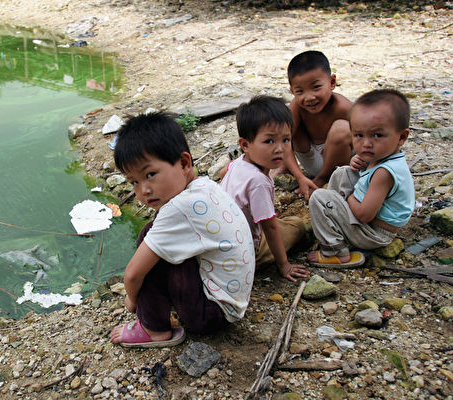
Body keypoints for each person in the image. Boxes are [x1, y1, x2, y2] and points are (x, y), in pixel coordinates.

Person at [109, 112, 255, 348]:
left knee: (151, 237)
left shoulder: (178, 208)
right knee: (157, 235)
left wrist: (131, 300)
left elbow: (133, 274)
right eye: (134, 182)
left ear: (185, 163)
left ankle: (153, 328)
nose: (144, 190)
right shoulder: (204, 186)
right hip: (232, 303)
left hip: (210, 315)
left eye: (150, 175)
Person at [307, 89, 414, 267]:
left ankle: (335, 251)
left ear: (402, 137)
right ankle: (335, 223)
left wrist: (347, 197)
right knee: (344, 172)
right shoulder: (383, 158)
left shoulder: (384, 173)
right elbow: (366, 177)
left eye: (377, 135)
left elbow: (364, 214)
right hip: (371, 223)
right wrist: (360, 162)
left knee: (319, 197)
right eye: (358, 135)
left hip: (374, 233)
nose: (366, 143)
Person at [220, 96, 309, 282]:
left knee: (281, 221)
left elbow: (222, 173)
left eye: (286, 140)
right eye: (269, 141)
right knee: (298, 226)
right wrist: (284, 266)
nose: (280, 149)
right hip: (246, 253)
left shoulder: (237, 164)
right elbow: (270, 227)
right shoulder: (258, 182)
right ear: (245, 145)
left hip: (225, 241)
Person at [281, 50, 353, 201]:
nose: (309, 97)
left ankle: (322, 179)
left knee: (342, 128)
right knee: (286, 127)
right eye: (300, 91)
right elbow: (283, 141)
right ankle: (286, 166)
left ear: (332, 82)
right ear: (292, 90)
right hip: (310, 158)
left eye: (316, 87)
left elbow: (370, 136)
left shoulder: (345, 108)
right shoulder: (296, 107)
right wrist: (300, 177)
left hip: (338, 165)